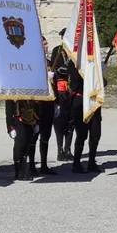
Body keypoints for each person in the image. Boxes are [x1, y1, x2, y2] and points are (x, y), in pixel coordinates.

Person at [49, 29, 76, 161]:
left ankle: (68, 148)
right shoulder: (57, 50)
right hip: (61, 88)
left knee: (71, 120)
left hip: (72, 89)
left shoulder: (75, 52)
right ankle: (60, 149)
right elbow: (58, 68)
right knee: (60, 120)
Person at [33, 36, 57, 175]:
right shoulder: (32, 63)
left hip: (48, 104)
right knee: (34, 135)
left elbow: (55, 83)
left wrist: (57, 102)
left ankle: (43, 164)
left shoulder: (49, 63)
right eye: (44, 43)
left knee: (46, 135)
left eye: (47, 43)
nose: (47, 46)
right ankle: (30, 165)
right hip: (36, 104)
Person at [6, 99, 39, 181]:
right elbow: (9, 111)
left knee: (27, 146)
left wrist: (37, 122)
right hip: (18, 120)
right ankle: (18, 172)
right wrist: (10, 127)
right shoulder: (12, 91)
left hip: (30, 119)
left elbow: (36, 105)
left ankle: (24, 170)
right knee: (19, 146)